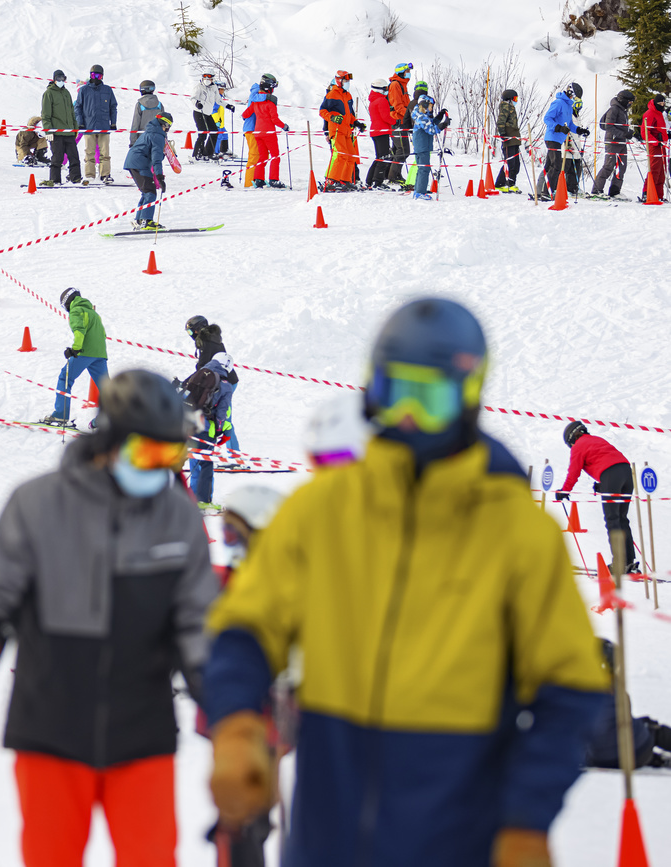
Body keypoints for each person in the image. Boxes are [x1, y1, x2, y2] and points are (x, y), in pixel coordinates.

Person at [204, 297, 610, 867]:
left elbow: (569, 687)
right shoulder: (323, 510)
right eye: (397, 395)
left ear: (469, 399)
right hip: (328, 833)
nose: (411, 421)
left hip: (459, 834)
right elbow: (246, 628)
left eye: (431, 399)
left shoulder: (518, 532)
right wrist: (238, 725)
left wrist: (526, 818)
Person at [0, 369, 215, 867]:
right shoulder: (36, 504)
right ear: (111, 440)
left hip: (142, 729)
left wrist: (217, 682)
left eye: (172, 457)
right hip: (51, 726)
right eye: (149, 454)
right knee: (50, 856)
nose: (160, 471)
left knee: (151, 857)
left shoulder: (179, 516)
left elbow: (196, 616)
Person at [209, 485, 286, 867]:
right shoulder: (220, 580)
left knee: (255, 814)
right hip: (228, 720)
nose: (229, 543)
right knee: (237, 816)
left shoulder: (283, 587)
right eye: (225, 533)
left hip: (270, 721)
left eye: (235, 534)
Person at [556, 421, 638, 572]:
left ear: (571, 439)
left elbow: (574, 471)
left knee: (612, 519)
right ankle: (629, 562)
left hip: (611, 475)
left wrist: (564, 491)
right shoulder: (597, 440)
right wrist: (603, 484)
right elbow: (608, 460)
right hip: (626, 472)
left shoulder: (578, 446)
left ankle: (620, 564)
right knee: (621, 518)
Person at [585, 639, 671, 770]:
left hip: (595, 759)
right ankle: (652, 758)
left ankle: (655, 759)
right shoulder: (616, 689)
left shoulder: (571, 690)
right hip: (638, 752)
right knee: (650, 729)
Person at [40, 288, 107, 427]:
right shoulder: (93, 313)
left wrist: (75, 349)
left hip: (84, 352)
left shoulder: (76, 311)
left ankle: (60, 415)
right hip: (100, 354)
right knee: (107, 387)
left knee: (65, 378)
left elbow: (79, 331)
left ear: (67, 302)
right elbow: (103, 334)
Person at [183, 351, 237, 509]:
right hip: (205, 428)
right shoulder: (225, 385)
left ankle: (186, 497)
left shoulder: (198, 374)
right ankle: (204, 501)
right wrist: (220, 430)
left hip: (185, 423)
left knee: (189, 460)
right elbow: (222, 412)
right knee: (205, 464)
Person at [124, 110, 172, 230]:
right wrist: (160, 177)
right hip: (139, 163)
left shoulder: (151, 130)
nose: (168, 129)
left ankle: (140, 220)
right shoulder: (158, 135)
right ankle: (147, 221)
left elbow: (154, 154)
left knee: (146, 192)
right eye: (168, 126)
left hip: (134, 162)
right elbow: (156, 159)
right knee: (150, 192)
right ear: (164, 124)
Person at [540, 83, 588, 198]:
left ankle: (543, 190)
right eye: (575, 97)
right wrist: (558, 127)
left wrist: (580, 130)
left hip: (559, 139)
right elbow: (547, 118)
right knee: (557, 165)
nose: (574, 100)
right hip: (552, 137)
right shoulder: (558, 103)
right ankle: (548, 192)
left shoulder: (568, 106)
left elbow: (570, 124)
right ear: (571, 92)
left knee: (550, 165)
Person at [319, 70, 364, 191]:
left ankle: (345, 180)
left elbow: (350, 114)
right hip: (337, 129)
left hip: (347, 130)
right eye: (345, 80)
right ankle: (331, 180)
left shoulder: (347, 95)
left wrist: (357, 123)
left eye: (348, 81)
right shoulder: (332, 95)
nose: (347, 83)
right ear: (339, 81)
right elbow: (322, 111)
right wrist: (332, 118)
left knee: (350, 156)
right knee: (340, 155)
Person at [243, 74, 289, 189]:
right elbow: (274, 119)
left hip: (257, 133)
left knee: (262, 156)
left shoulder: (255, 101)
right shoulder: (270, 103)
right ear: (270, 88)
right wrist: (284, 126)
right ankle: (273, 179)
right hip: (269, 133)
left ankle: (259, 179)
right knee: (275, 156)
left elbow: (245, 114)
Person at [74, 63, 117, 184]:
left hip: (104, 126)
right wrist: (80, 123)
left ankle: (105, 175)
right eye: (93, 75)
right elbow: (78, 107)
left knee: (105, 153)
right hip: (89, 126)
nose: (96, 78)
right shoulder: (84, 90)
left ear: (102, 76)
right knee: (89, 152)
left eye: (98, 75)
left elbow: (113, 106)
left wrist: (113, 123)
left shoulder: (107, 90)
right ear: (90, 75)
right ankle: (89, 175)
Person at [590, 89, 634, 199]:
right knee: (609, 166)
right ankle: (596, 190)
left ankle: (615, 191)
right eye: (629, 102)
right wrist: (623, 134)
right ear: (623, 100)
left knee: (621, 168)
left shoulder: (623, 111)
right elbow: (609, 126)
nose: (630, 104)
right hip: (613, 141)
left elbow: (621, 126)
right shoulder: (614, 109)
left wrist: (628, 134)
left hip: (621, 142)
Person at [40, 70, 81, 187]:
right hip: (56, 133)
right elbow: (45, 115)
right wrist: (48, 130)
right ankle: (55, 180)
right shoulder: (48, 93)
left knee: (74, 157)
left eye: (63, 78)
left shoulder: (66, 93)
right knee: (57, 158)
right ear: (54, 79)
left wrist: (75, 129)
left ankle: (76, 178)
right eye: (58, 78)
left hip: (69, 132)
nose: (61, 81)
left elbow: (72, 113)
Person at [410, 93, 449, 200]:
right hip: (422, 146)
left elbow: (430, 123)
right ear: (425, 105)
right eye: (431, 105)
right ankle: (420, 192)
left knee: (422, 169)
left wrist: (439, 117)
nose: (432, 108)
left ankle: (418, 191)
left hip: (423, 146)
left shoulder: (421, 115)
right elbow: (431, 130)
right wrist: (443, 125)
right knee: (424, 169)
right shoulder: (421, 116)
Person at [184, 315, 239, 384]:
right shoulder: (213, 339)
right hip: (228, 379)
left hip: (224, 382)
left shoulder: (206, 343)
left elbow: (202, 368)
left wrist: (187, 382)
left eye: (190, 332)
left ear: (197, 329)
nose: (191, 334)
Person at [386, 63, 413, 186]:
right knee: (403, 150)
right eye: (407, 71)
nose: (409, 73)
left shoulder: (403, 85)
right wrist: (411, 115)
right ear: (401, 72)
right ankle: (392, 176)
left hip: (402, 121)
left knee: (398, 150)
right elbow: (398, 106)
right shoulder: (395, 84)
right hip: (398, 122)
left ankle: (395, 174)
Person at [365, 78, 394, 188]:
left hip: (375, 131)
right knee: (384, 157)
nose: (386, 91)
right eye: (385, 89)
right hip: (382, 131)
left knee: (379, 157)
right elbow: (385, 117)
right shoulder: (382, 100)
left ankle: (370, 180)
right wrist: (395, 121)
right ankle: (378, 181)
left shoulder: (373, 100)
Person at [493, 89, 522, 192]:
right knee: (510, 163)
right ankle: (504, 184)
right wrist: (503, 135)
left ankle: (507, 183)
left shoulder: (511, 107)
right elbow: (501, 121)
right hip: (509, 138)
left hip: (514, 138)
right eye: (514, 99)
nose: (516, 101)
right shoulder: (505, 107)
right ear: (509, 99)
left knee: (515, 163)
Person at [639, 93, 667, 203]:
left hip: (661, 145)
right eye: (660, 103)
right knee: (654, 170)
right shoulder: (649, 113)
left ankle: (659, 194)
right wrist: (655, 141)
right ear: (655, 103)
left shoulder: (660, 113)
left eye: (663, 103)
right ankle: (647, 193)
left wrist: (665, 136)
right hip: (654, 145)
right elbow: (644, 132)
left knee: (661, 172)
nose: (662, 105)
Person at [192, 72, 221, 160]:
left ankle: (207, 153)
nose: (207, 80)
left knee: (214, 132)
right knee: (203, 134)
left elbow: (218, 100)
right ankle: (196, 154)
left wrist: (228, 106)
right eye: (205, 78)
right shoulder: (199, 87)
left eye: (209, 78)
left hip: (208, 113)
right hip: (199, 112)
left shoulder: (214, 87)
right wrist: (197, 103)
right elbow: (193, 98)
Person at [128, 80, 162, 146]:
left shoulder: (140, 104)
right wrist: (164, 138)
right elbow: (163, 123)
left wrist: (133, 141)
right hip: (157, 137)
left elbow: (135, 123)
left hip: (143, 138)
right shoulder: (159, 104)